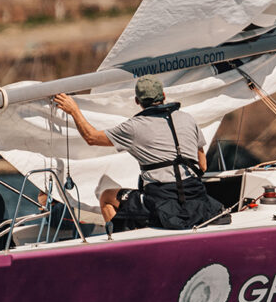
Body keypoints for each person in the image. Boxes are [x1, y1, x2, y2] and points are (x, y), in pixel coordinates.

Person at [53, 77, 227, 231]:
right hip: (197, 199)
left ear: (137, 101)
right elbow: (202, 165)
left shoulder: (133, 127)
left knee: (107, 196)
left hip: (161, 201)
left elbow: (91, 137)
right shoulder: (187, 118)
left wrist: (74, 110)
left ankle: (122, 245)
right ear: (164, 96)